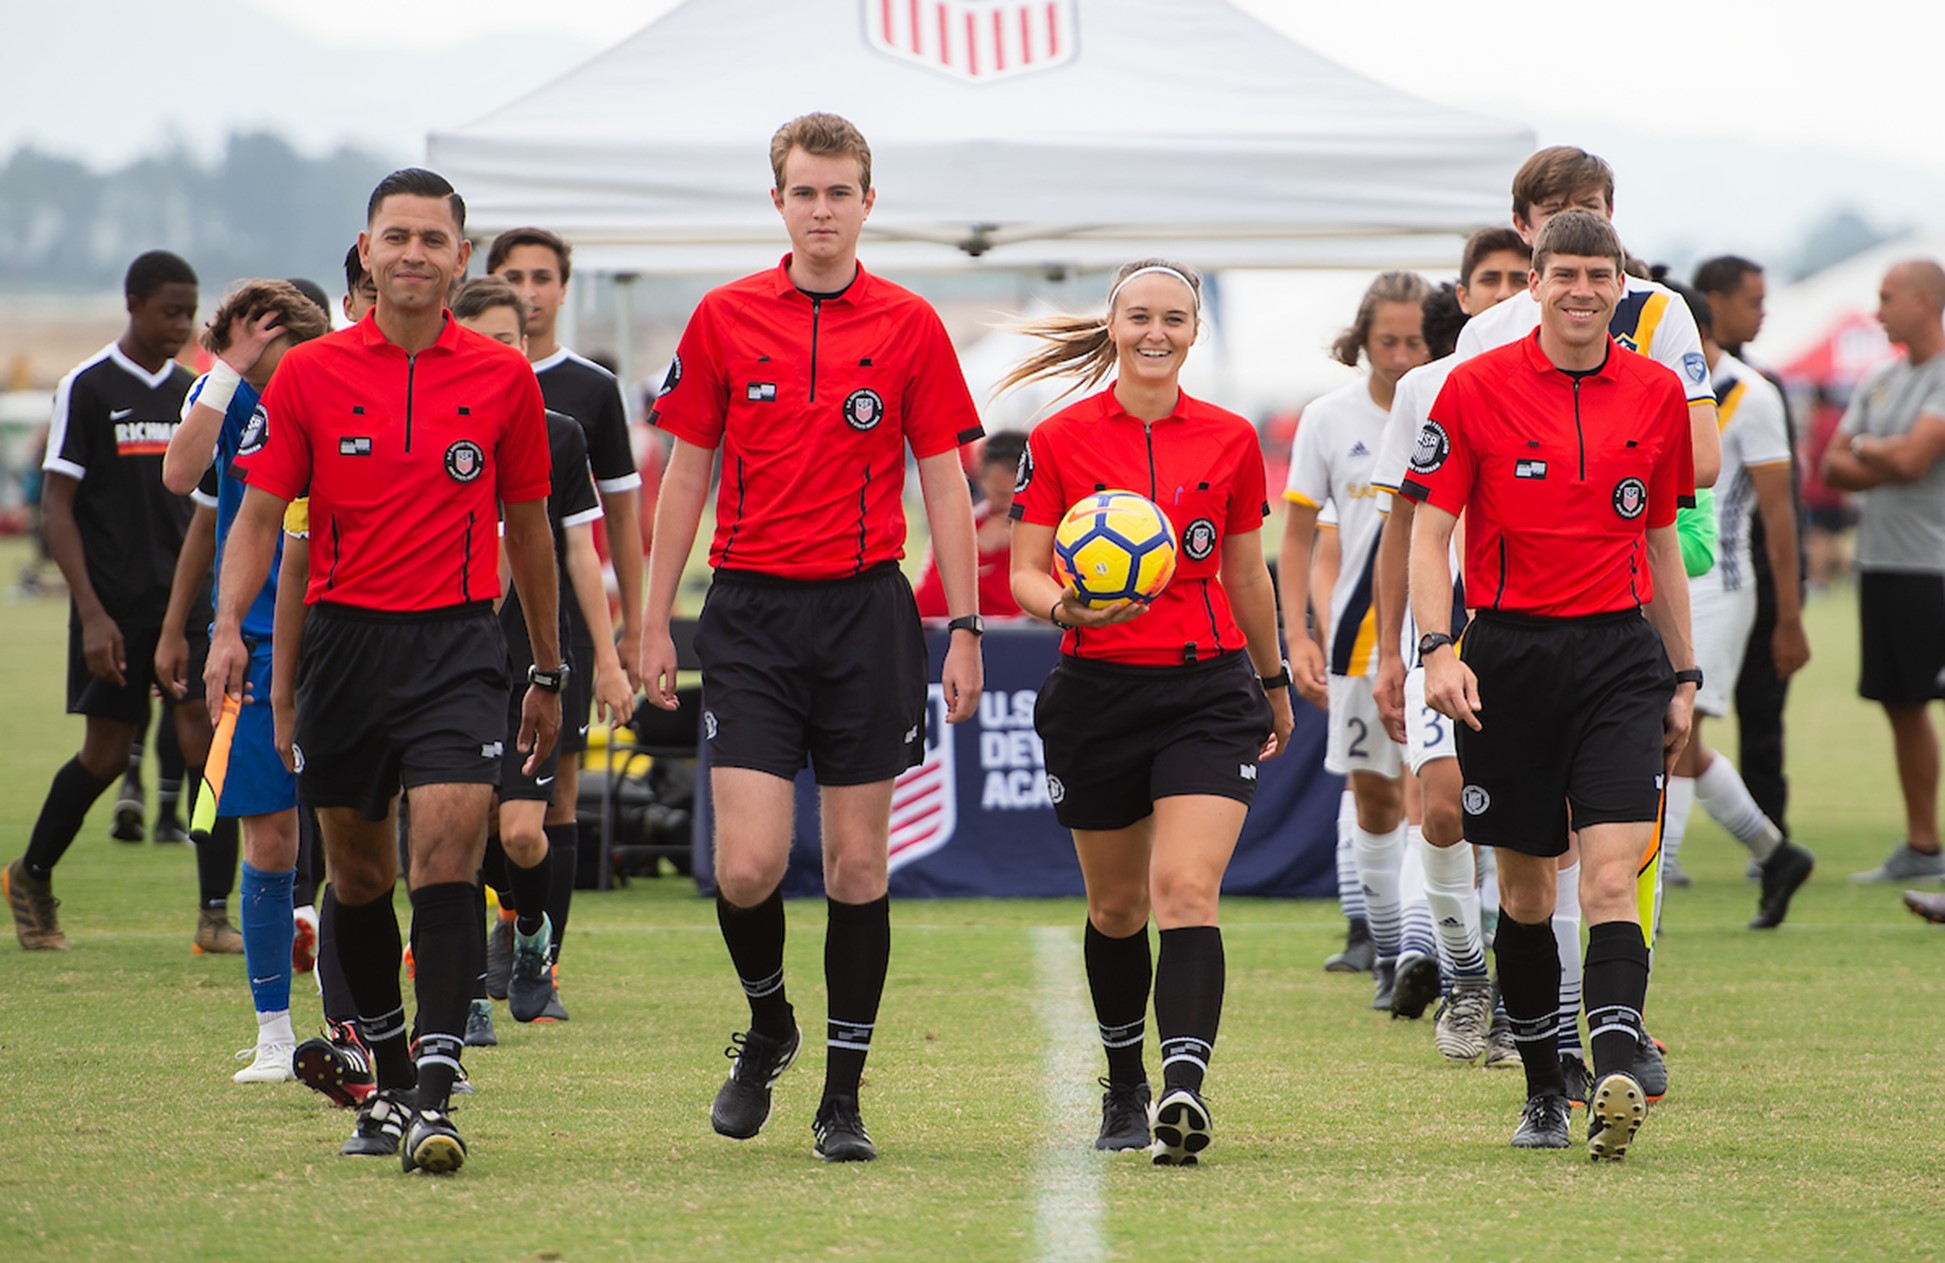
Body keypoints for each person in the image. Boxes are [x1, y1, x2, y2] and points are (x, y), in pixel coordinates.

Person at [640, 113, 984, 1164]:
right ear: (778, 201)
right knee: (745, 868)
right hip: (746, 613)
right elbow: (685, 475)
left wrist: (963, 627)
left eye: (840, 193)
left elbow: (945, 484)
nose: (823, 210)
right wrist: (650, 618)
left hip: (867, 613)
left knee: (854, 868)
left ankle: (842, 1098)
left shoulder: (912, 323)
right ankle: (770, 1024)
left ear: (867, 203)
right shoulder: (722, 317)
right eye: (805, 192)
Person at [209, 168, 562, 1175]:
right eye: (395, 236)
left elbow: (529, 532)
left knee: (444, 856)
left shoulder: (502, 381)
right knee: (358, 877)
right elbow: (265, 519)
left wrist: (547, 667)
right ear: (366, 251)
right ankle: (393, 1076)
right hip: (342, 648)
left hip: (457, 645)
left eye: (433, 238)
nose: (413, 252)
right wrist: (231, 630)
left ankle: (438, 1085)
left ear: (461, 257)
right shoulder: (310, 375)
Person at [1404, 210, 1697, 1160]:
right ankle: (1541, 1085)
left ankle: (1611, 1052)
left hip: (1619, 657)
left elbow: (1660, 542)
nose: (1581, 289)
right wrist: (1437, 648)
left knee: (1611, 876)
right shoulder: (1472, 387)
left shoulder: (1655, 392)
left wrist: (1683, 672)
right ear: (1533, 283)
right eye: (1562, 272)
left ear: (1622, 286)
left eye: (1597, 274)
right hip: (1507, 660)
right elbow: (1427, 531)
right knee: (1526, 895)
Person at [1002, 258, 1291, 1166]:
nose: (1155, 331)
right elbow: (1021, 569)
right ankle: (1124, 1082)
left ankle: (1183, 1086)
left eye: (1173, 317)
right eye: (1139, 316)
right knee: (1119, 905)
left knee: (1185, 891)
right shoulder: (1057, 439)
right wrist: (1064, 606)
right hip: (1096, 693)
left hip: (1207, 690)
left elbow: (1245, 570)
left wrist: (1271, 680)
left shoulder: (1231, 439)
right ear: (1114, 325)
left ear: (1194, 332)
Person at [6, 250, 214, 953]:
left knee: (203, 742)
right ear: (133, 304)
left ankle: (215, 913)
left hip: (185, 603)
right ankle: (30, 875)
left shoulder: (194, 390)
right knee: (105, 753)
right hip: (113, 605)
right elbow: (57, 506)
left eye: (189, 313)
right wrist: (90, 612)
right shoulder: (87, 387)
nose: (181, 324)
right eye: (169, 312)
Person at [450, 276, 634, 1026]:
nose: (505, 355)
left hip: (534, 651)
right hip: (450, 651)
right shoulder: (429, 423)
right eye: (487, 340)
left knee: (523, 829)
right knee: (451, 828)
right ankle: (461, 995)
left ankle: (530, 933)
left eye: (514, 341)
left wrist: (609, 656)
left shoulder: (558, 431)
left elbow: (580, 553)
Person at [160, 279, 331, 1081]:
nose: (276, 377)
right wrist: (228, 367)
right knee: (270, 838)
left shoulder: (337, 383)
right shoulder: (223, 396)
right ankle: (274, 1034)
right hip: (258, 651)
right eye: (258, 360)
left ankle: (366, 1027)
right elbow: (179, 475)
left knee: (366, 843)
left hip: (347, 637)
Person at [1369, 229, 1533, 1063]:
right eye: (1488, 279)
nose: (1505, 290)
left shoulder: (1566, 373)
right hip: (1445, 621)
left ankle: (1513, 995)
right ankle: (1464, 979)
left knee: (1526, 824)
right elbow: (1402, 526)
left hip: (1537, 624)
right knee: (1440, 807)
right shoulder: (1424, 387)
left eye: (1518, 276)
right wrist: (1392, 647)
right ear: (1461, 295)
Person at [489, 227, 647, 986]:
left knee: (551, 802)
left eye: (542, 276)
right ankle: (494, 945)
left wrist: (626, 636)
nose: (529, 288)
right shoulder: (452, 380)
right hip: (464, 629)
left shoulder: (586, 394)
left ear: (563, 286)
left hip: (558, 632)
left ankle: (541, 962)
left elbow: (611, 526)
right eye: (513, 274)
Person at [1279, 271, 1430, 1015]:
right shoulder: (1328, 418)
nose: (1401, 356)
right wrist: (1295, 634)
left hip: (1437, 631)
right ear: (1359, 341)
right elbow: (1300, 533)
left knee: (1428, 794)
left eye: (1414, 340)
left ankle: (1418, 952)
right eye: (1386, 340)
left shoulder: (1449, 402)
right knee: (1371, 798)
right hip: (1355, 638)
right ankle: (1383, 942)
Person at [1657, 278, 1815, 928]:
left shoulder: (1751, 395)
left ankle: (1654, 886)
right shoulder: (1649, 386)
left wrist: (1789, 611)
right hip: (1661, 578)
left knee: (1674, 732)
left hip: (1719, 585)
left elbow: (1778, 516)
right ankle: (1774, 853)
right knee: (1666, 737)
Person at [1820, 260, 1945, 884]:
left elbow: (1918, 459)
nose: (1877, 310)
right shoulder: (1881, 378)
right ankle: (1924, 847)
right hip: (1885, 564)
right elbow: (1832, 465)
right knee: (1901, 702)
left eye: (1888, 297)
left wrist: (1872, 450)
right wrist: (1880, 454)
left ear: (1925, 302)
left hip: (1935, 568)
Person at [913, 430, 1026, 620]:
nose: (1009, 506)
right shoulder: (960, 526)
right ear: (983, 480)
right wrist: (975, 552)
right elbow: (923, 608)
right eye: (1001, 495)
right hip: (986, 640)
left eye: (1018, 495)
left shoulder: (1062, 529)